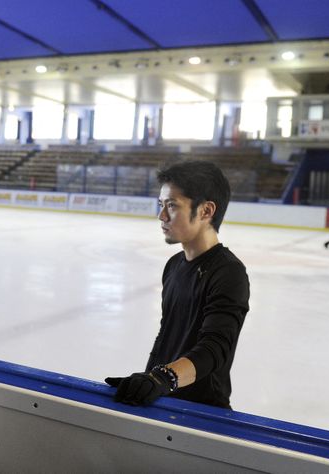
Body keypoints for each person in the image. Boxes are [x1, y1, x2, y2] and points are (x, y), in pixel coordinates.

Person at [105, 161, 250, 409]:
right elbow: (166, 335)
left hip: (202, 411)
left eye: (172, 206)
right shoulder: (174, 265)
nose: (161, 216)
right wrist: (148, 378)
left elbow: (214, 349)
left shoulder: (228, 272)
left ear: (205, 211)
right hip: (163, 400)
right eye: (161, 205)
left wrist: (163, 378)